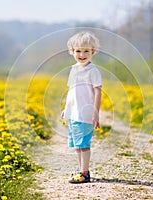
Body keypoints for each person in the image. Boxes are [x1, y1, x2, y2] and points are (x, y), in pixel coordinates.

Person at [61, 31, 102, 183]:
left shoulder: (93, 71)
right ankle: (81, 170)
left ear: (93, 52)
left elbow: (98, 92)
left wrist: (96, 113)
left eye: (86, 51)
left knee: (83, 144)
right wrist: (67, 108)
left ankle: (84, 173)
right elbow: (72, 91)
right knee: (77, 144)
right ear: (72, 51)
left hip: (85, 114)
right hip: (74, 114)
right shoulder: (74, 69)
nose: (82, 54)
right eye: (78, 51)